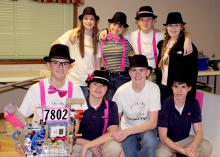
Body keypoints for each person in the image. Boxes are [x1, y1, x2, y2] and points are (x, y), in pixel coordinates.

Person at [18, 44, 88, 155]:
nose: (60, 67)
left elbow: (78, 119)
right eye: (56, 63)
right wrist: (22, 140)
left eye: (64, 63)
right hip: (39, 147)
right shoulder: (36, 89)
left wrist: (72, 133)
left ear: (70, 66)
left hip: (65, 148)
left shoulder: (75, 89)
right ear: (48, 65)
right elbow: (20, 116)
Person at [98, 6, 192, 71]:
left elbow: (176, 34)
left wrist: (187, 37)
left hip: (156, 75)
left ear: (154, 21)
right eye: (142, 20)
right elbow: (114, 33)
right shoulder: (130, 36)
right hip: (137, 75)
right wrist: (105, 30)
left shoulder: (161, 35)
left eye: (148, 19)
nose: (145, 22)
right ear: (137, 22)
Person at [112, 55, 161, 157]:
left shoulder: (154, 89)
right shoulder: (121, 91)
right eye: (134, 70)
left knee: (151, 143)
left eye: (141, 70)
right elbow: (115, 120)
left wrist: (128, 132)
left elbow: (153, 123)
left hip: (146, 128)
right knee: (129, 153)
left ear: (147, 72)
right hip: (127, 127)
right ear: (129, 73)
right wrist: (121, 135)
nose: (137, 74)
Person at [156, 72, 212, 157]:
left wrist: (192, 147)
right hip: (168, 142)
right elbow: (163, 138)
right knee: (161, 154)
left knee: (206, 147)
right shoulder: (165, 104)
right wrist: (183, 151)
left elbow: (199, 131)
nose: (179, 91)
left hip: (185, 139)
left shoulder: (193, 103)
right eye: (176, 86)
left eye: (183, 87)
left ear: (189, 88)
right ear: (172, 87)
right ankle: (180, 154)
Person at [52, 6, 101, 98]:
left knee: (85, 111)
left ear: (95, 22)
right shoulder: (72, 34)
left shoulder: (97, 39)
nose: (89, 21)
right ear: (82, 20)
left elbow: (97, 65)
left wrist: (96, 82)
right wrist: (63, 63)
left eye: (91, 19)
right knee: (72, 109)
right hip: (72, 81)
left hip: (88, 84)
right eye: (86, 18)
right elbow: (54, 46)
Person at [71, 70, 121, 157]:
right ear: (88, 87)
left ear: (107, 90)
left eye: (103, 85)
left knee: (115, 147)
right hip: (80, 144)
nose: (98, 88)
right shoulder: (78, 105)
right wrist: (88, 144)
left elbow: (113, 132)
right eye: (95, 84)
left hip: (101, 144)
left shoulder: (111, 106)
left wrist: (90, 145)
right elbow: (71, 135)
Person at [156, 12, 198, 102]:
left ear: (181, 27)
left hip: (178, 91)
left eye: (176, 25)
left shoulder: (187, 46)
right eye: (170, 25)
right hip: (163, 88)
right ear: (166, 27)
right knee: (164, 114)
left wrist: (189, 94)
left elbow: (193, 73)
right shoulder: (162, 44)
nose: (173, 28)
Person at [99, 11, 134, 100]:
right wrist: (104, 30)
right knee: (110, 104)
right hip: (108, 76)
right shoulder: (102, 38)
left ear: (123, 29)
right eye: (114, 24)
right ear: (110, 25)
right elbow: (90, 32)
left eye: (120, 26)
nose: (116, 28)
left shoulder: (125, 42)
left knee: (123, 103)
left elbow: (133, 57)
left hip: (122, 77)